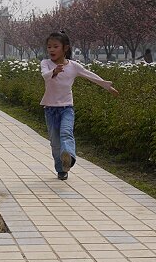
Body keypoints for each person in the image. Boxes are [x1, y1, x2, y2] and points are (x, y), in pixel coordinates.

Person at [40, 32, 119, 181]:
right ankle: (62, 169)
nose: (51, 49)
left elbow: (90, 75)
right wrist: (54, 71)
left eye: (55, 46)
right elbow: (45, 75)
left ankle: (69, 156)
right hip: (50, 109)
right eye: (49, 46)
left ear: (65, 48)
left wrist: (107, 86)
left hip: (67, 108)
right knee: (55, 143)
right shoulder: (46, 63)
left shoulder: (73, 66)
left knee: (66, 133)